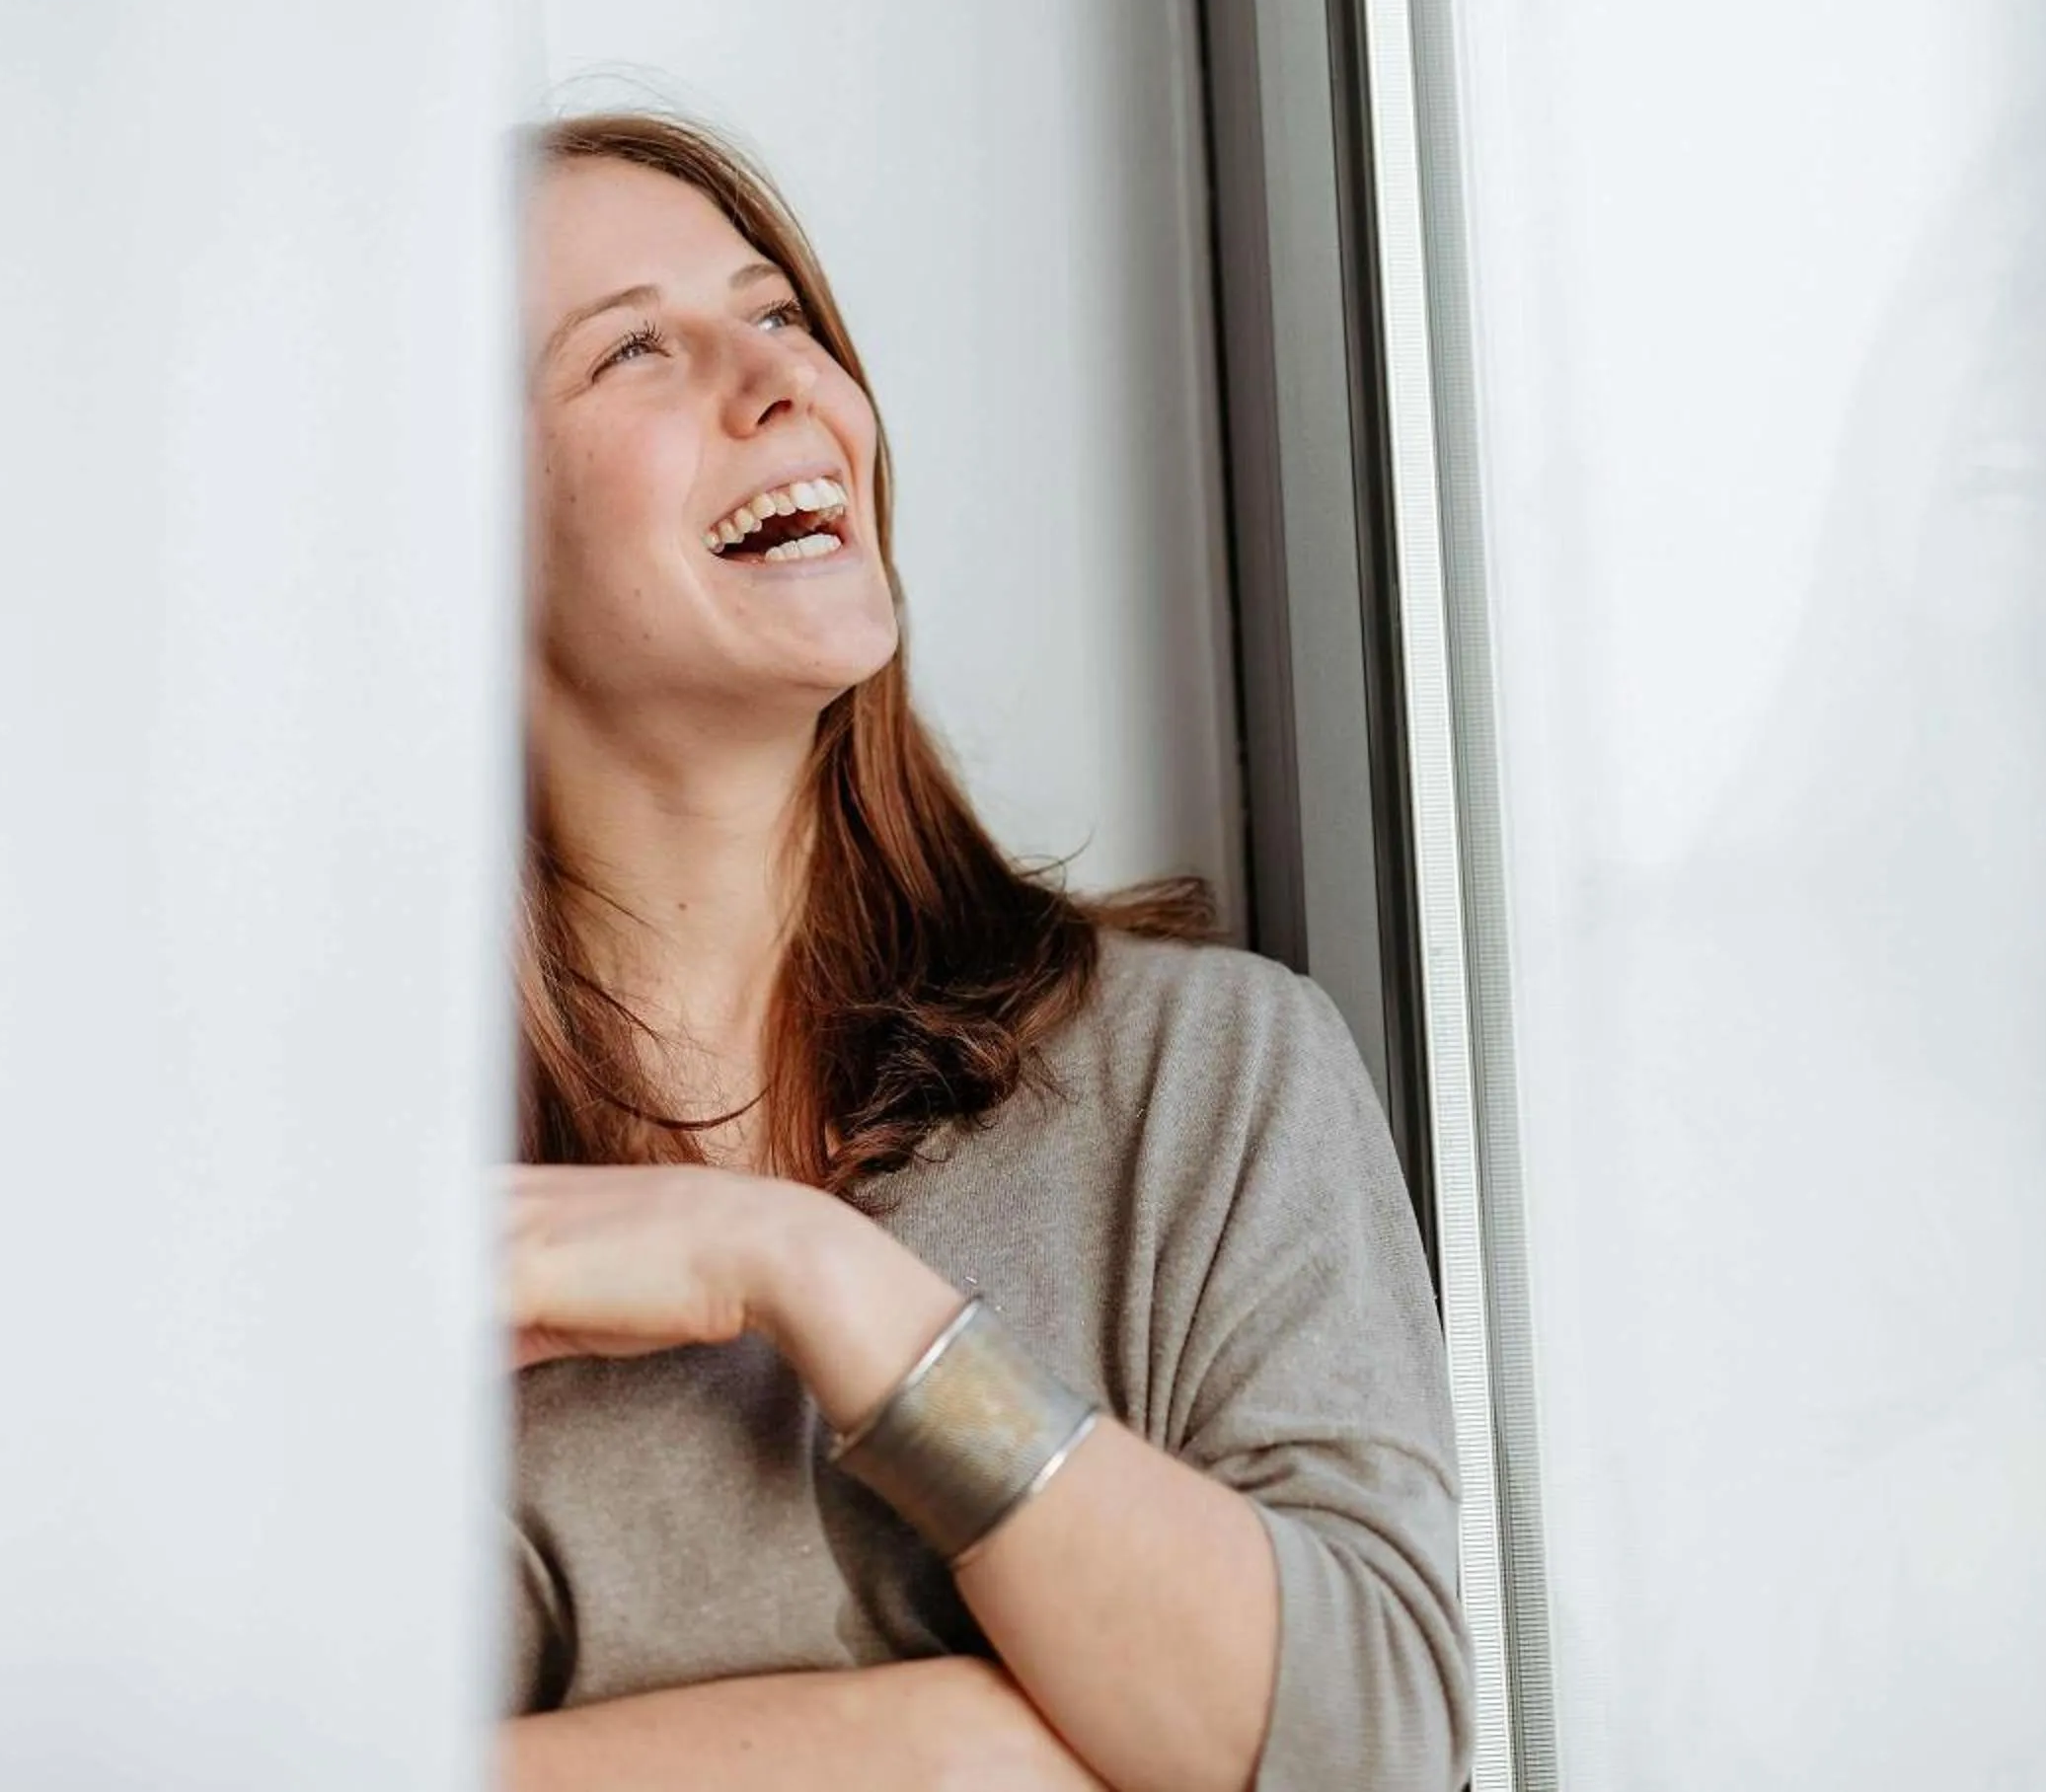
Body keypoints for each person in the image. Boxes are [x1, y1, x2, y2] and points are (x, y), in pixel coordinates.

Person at [501, 109, 1474, 1792]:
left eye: (783, 313)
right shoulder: (361, 1221)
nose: (781, 383)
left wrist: (812, 1277)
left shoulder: (1208, 1078)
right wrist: (975, 1761)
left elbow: (1370, 1746)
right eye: (638, 350)